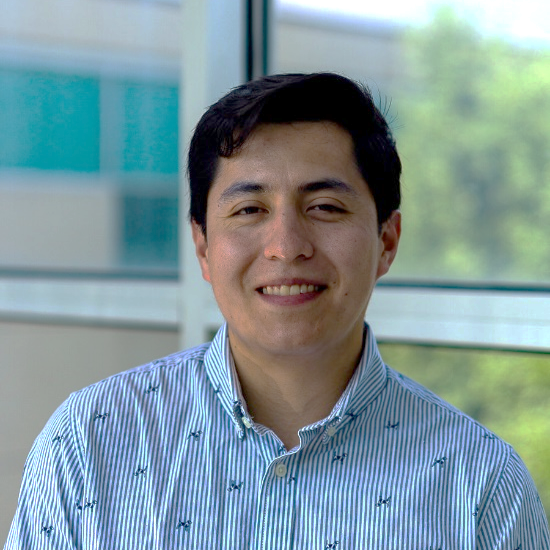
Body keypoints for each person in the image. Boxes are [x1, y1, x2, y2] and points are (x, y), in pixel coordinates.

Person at [5, 73, 549, 549]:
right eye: (249, 209)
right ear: (202, 247)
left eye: (325, 207)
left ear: (387, 239)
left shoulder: (480, 486)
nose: (286, 246)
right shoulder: (91, 441)